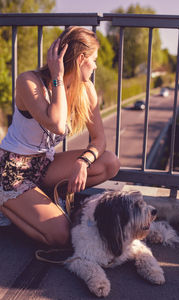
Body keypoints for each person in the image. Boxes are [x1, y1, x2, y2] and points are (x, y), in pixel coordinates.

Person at [0, 26, 120, 247]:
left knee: (109, 162)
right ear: (81, 59)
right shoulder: (29, 82)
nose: (95, 66)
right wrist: (58, 77)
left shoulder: (86, 90)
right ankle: (6, 204)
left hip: (44, 165)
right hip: (12, 170)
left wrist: (84, 162)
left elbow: (99, 140)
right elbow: (56, 123)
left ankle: (36, 199)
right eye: (93, 60)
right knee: (61, 235)